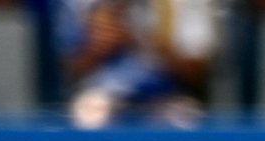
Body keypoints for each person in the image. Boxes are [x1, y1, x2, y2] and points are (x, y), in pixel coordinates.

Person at [58, 0, 218, 127]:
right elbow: (72, 68)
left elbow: (197, 72)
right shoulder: (89, 5)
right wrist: (99, 46)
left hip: (169, 94)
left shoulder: (186, 4)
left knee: (184, 121)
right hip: (104, 90)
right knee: (90, 116)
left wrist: (149, 41)